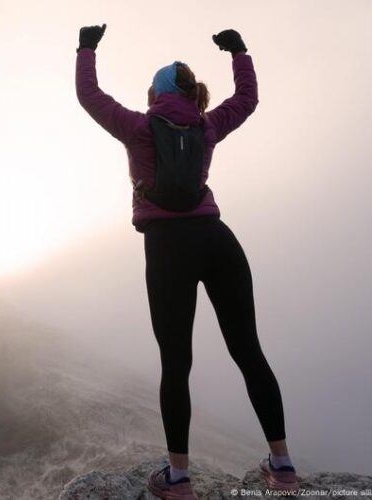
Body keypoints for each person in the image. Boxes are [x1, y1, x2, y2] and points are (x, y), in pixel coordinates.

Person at [75, 24, 300, 499]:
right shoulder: (207, 125)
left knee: (176, 363)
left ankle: (178, 479)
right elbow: (247, 98)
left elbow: (89, 96)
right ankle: (282, 467)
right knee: (249, 352)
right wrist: (239, 50)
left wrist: (87, 47)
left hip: (167, 246)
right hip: (218, 240)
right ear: (191, 93)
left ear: (157, 93)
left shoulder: (138, 126)